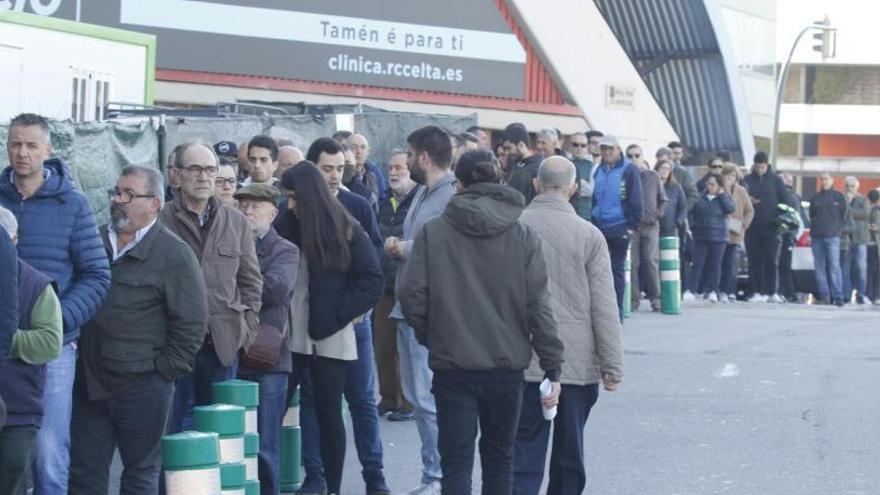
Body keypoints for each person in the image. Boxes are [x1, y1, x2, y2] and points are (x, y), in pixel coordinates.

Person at [398, 150, 564, 495]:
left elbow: (412, 294)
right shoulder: (523, 235)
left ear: (458, 184)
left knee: (456, 462)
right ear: (499, 181)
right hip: (506, 366)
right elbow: (539, 307)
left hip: (452, 364)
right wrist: (553, 366)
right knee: (499, 459)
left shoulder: (434, 233)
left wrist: (435, 335)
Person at [69, 166, 207, 494]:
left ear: (155, 204)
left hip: (143, 387)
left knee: (139, 474)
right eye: (116, 192)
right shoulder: (93, 242)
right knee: (84, 474)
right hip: (88, 383)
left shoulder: (174, 254)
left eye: (129, 195)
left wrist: (162, 373)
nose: (119, 200)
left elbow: (192, 324)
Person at [0, 113, 111, 493]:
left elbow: (97, 275)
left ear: (48, 150)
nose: (22, 152)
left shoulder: (72, 204)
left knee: (48, 452)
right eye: (15, 143)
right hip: (1, 343)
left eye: (31, 145)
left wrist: (56, 321)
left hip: (55, 349)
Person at [275, 137, 389, 495]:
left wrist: (337, 315)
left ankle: (335, 487)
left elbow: (372, 280)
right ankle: (301, 480)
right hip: (289, 336)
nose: (289, 204)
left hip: (330, 335)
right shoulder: (285, 222)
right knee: (278, 411)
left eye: (293, 197)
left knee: (330, 414)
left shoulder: (346, 225)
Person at [514, 157, 622, 495]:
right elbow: (604, 305)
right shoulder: (590, 235)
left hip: (522, 354)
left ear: (535, 185)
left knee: (523, 447)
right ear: (574, 189)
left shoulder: (514, 226)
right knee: (569, 450)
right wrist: (611, 364)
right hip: (575, 361)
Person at [160, 141, 263, 433]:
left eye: (209, 169)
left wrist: (246, 330)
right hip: (174, 344)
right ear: (177, 176)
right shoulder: (160, 221)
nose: (204, 177)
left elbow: (251, 281)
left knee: (220, 436)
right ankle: (166, 483)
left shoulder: (236, 223)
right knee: (171, 433)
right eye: (195, 169)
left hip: (223, 345)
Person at [384, 126, 457, 495]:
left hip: (429, 313)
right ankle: (437, 474)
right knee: (417, 397)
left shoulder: (451, 197)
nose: (407, 162)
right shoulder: (423, 194)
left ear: (424, 156)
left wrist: (404, 248)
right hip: (408, 308)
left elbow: (448, 247)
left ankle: (439, 476)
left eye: (410, 155)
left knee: (426, 398)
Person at [233, 183, 299, 495]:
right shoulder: (227, 243)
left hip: (267, 357)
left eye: (255, 206)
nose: (247, 210)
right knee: (231, 442)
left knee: (264, 443)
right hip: (229, 352)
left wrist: (230, 287)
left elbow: (275, 289)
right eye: (243, 204)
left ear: (273, 212)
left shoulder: (285, 249)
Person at [0, 206, 62, 494]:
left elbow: (50, 342)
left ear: (13, 241)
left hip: (18, 412)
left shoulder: (37, 285)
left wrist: (5, 339)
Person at [375, 151, 420, 422]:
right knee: (383, 347)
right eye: (390, 167)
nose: (393, 172)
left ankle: (407, 402)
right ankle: (388, 398)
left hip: (406, 285)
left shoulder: (418, 201)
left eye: (399, 167)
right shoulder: (384, 201)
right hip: (384, 284)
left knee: (405, 350)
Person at [590, 135, 643, 319]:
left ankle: (617, 311)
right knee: (598, 270)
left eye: (610, 149)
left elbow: (636, 198)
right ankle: (601, 310)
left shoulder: (629, 169)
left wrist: (631, 225)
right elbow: (594, 196)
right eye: (603, 149)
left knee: (616, 269)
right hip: (600, 225)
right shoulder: (598, 169)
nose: (606, 152)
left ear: (618, 149)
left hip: (619, 225)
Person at [743, 151, 788, 303]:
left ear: (767, 165)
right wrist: (749, 201)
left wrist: (780, 221)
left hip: (772, 227)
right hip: (752, 227)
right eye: (757, 167)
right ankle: (757, 291)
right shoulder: (747, 180)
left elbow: (785, 201)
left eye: (762, 167)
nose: (759, 169)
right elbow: (741, 200)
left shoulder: (776, 180)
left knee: (771, 260)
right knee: (754, 260)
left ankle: (772, 291)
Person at [628, 146, 666, 312]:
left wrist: (657, 215)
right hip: (633, 227)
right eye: (630, 156)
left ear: (643, 157)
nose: (634, 158)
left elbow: (663, 199)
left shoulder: (653, 176)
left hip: (651, 226)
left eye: (637, 155)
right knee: (633, 263)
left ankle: (656, 299)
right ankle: (633, 300)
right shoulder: (625, 176)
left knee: (650, 261)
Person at [686, 175, 735, 302]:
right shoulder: (701, 197)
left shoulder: (724, 197)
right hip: (701, 235)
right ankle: (692, 289)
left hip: (719, 236)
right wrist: (693, 226)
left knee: (715, 265)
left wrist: (722, 195)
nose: (710, 187)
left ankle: (713, 290)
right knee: (697, 264)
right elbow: (691, 212)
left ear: (719, 186)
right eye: (708, 184)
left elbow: (730, 209)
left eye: (713, 184)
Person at [808, 173, 848, 306]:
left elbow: (846, 216)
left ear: (832, 180)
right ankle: (824, 296)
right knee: (819, 268)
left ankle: (838, 297)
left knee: (834, 267)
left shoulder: (839, 196)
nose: (824, 182)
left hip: (833, 237)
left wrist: (837, 230)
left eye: (826, 179)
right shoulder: (815, 198)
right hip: (817, 237)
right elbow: (811, 216)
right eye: (822, 179)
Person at [719, 164, 754, 302]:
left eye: (733, 176)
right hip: (720, 231)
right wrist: (725, 188)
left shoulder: (741, 191)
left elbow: (750, 210)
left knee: (731, 263)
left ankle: (730, 290)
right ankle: (719, 290)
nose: (730, 178)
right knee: (719, 263)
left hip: (735, 231)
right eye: (727, 175)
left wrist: (744, 224)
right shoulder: (720, 189)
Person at [843, 176, 870, 304]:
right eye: (847, 185)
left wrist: (849, 208)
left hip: (860, 239)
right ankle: (846, 295)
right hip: (845, 239)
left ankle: (861, 294)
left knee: (861, 268)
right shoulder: (841, 199)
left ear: (857, 187)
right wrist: (847, 204)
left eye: (852, 185)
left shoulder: (863, 199)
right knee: (844, 268)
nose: (850, 188)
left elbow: (864, 214)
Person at [503, 123, 542, 204]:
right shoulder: (513, 165)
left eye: (509, 148)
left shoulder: (538, 168)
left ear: (521, 145)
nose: (507, 152)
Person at [777, 173, 802, 302]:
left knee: (784, 265)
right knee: (783, 265)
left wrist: (790, 235)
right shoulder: (784, 195)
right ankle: (787, 292)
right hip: (785, 234)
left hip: (786, 235)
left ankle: (787, 292)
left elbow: (794, 218)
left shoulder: (790, 196)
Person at [347, 133, 389, 206]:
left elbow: (380, 200)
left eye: (363, 147)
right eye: (354, 147)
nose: (359, 151)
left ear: (368, 152)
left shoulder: (373, 175)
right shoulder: (343, 175)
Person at [655, 160, 688, 240]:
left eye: (667, 169)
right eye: (662, 168)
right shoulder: (651, 186)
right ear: (657, 170)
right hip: (653, 228)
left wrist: (678, 223)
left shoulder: (676, 187)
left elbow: (683, 207)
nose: (665, 171)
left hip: (671, 229)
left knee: (669, 252)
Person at [569, 132, 594, 221]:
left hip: (586, 215)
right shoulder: (565, 163)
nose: (579, 148)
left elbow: (590, 191)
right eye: (575, 145)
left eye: (583, 145)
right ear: (570, 147)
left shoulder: (593, 166)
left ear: (587, 148)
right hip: (568, 213)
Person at [867, 189, 880, 304]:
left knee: (874, 271)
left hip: (874, 244)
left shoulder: (872, 209)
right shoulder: (870, 209)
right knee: (871, 271)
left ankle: (875, 295)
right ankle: (872, 295)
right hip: (871, 244)